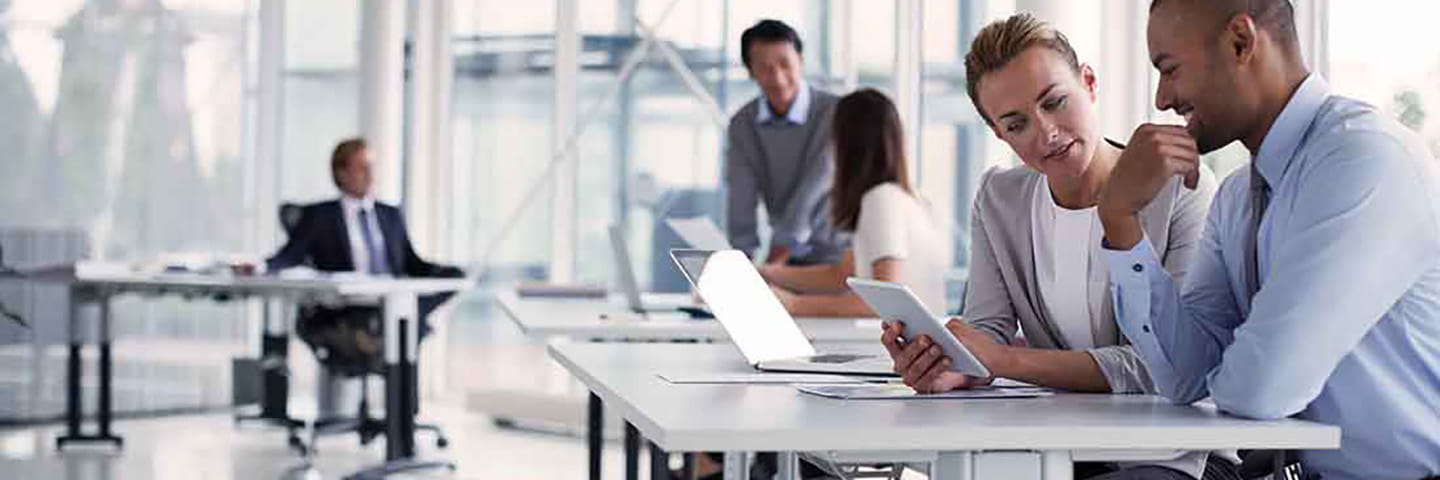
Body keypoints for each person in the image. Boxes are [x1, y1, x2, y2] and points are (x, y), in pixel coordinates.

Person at [879, 14, 1233, 479]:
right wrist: (954, 365)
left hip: (1175, 457)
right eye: (1017, 123)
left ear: (1088, 82)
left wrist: (1004, 361)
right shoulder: (1000, 198)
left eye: (1055, 102)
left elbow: (1165, 365)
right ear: (999, 134)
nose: (1046, 132)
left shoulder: (1179, 188)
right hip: (1067, 451)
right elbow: (989, 332)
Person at [1095, 0, 1440, 478]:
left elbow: (1262, 389)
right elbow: (1185, 376)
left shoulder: (1365, 161)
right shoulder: (1238, 196)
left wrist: (1236, 367)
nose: (1162, 99)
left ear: (1241, 42)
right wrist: (1119, 217)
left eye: (1170, 69)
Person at [265, 138, 462, 368]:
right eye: (362, 168)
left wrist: (449, 274)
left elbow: (411, 262)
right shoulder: (320, 216)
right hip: (348, 306)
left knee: (435, 291)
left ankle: (402, 322)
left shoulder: (390, 214)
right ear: (342, 173)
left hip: (391, 297)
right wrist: (261, 268)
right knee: (404, 328)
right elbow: (289, 256)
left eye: (371, 167)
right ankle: (402, 326)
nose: (370, 175)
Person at [763, 89, 950, 318]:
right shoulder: (908, 198)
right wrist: (766, 273)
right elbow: (840, 274)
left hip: (904, 347)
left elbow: (886, 303)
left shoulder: (881, 200)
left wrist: (794, 304)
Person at [725, 19, 848, 267]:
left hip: (841, 255)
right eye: (765, 68)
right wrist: (739, 263)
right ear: (750, 71)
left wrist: (775, 258)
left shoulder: (836, 113)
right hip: (789, 257)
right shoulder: (742, 124)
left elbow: (816, 184)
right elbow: (741, 195)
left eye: (785, 65)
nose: (778, 79)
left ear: (800, 61)